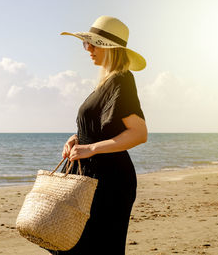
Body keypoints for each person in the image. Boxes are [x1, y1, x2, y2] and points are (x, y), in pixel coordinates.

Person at [49, 15, 147, 255]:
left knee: (93, 248)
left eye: (92, 43)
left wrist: (91, 149)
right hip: (93, 177)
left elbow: (139, 133)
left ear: (109, 48)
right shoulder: (106, 83)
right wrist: (76, 138)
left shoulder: (122, 80)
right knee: (71, 243)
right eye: (85, 43)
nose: (88, 49)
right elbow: (102, 127)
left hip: (108, 181)